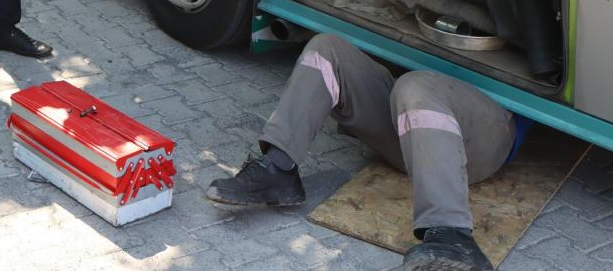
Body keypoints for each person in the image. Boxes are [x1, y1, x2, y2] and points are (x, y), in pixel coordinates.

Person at [206, 34, 531, 271]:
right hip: (413, 118)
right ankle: (278, 168)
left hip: (480, 134)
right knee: (325, 48)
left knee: (415, 86)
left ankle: (451, 236)